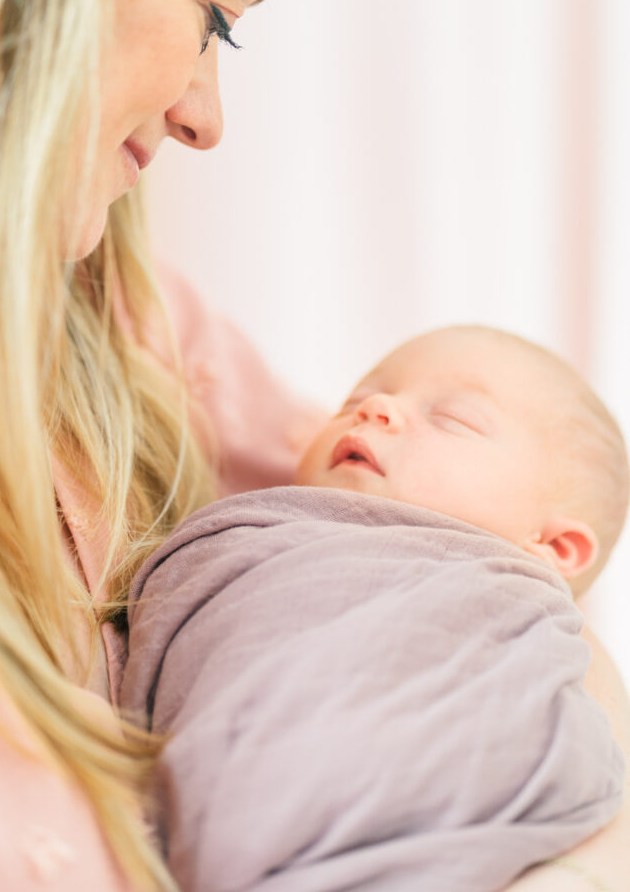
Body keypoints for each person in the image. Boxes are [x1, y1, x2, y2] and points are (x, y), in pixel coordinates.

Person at [0, 0, 627, 891]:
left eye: (229, 30)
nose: (203, 120)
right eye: (215, 13)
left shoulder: (129, 327)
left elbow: (456, 526)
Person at [120, 325, 628, 890]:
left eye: (453, 419)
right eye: (353, 404)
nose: (377, 410)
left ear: (553, 547)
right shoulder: (249, 536)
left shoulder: (513, 618)